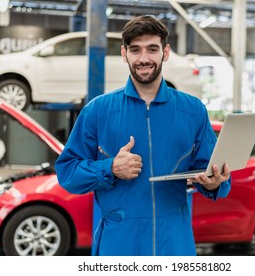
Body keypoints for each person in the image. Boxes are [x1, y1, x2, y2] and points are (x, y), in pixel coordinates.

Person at [55, 15, 231, 256]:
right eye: (135, 50)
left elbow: (210, 170)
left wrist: (214, 183)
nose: (144, 58)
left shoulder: (192, 110)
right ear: (124, 53)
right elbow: (67, 173)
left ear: (165, 52)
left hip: (175, 243)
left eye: (152, 49)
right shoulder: (98, 111)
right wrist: (110, 168)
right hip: (119, 245)